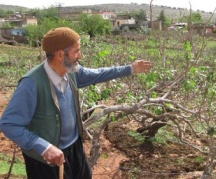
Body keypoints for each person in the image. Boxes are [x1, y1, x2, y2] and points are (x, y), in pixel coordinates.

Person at [0, 27, 152, 179]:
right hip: (46, 160)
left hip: (74, 149)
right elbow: (9, 124)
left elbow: (98, 73)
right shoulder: (32, 84)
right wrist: (44, 147)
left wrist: (130, 69)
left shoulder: (72, 72)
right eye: (76, 51)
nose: (80, 55)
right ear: (60, 54)